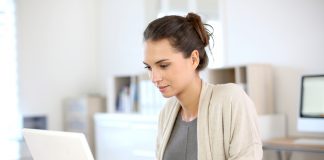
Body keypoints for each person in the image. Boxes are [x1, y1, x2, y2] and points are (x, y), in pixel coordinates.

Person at [142, 12, 263, 160]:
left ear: (193, 60)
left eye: (164, 65)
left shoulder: (231, 101)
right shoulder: (166, 114)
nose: (154, 78)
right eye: (149, 68)